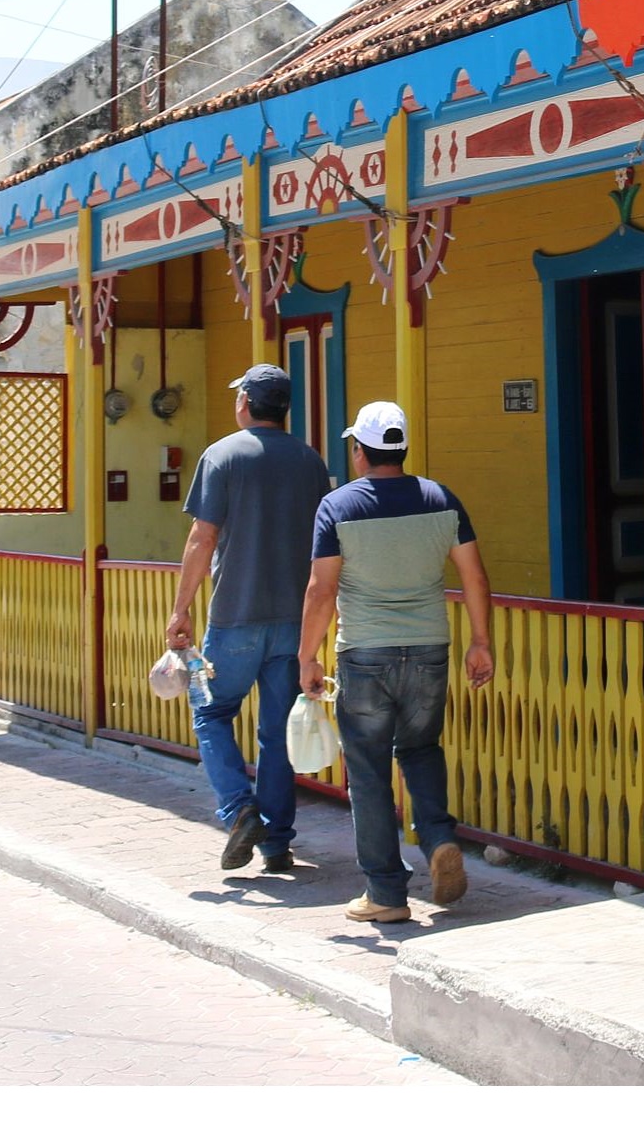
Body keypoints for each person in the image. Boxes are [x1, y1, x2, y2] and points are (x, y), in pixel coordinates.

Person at [299, 400, 493, 925]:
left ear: (359, 452)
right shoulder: (440, 499)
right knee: (421, 749)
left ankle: (386, 892)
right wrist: (480, 641)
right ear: (402, 448)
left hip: (364, 653)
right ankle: (437, 839)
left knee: (366, 770)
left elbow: (322, 589)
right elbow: (474, 577)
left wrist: (307, 657)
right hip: (429, 648)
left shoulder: (338, 506)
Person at [166, 365, 330, 875]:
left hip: (236, 615)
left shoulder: (222, 455)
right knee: (278, 729)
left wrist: (181, 607)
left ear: (245, 404)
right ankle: (277, 843)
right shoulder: (310, 462)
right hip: (293, 621)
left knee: (212, 713)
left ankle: (240, 809)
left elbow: (203, 538)